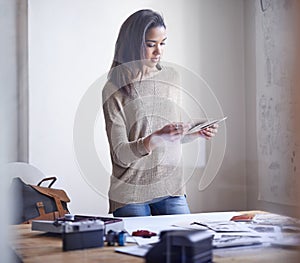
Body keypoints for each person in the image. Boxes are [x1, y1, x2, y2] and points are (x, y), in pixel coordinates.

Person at [102, 9, 218, 217]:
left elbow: (173, 138)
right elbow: (120, 155)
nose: (159, 52)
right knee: (138, 249)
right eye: (150, 44)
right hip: (131, 194)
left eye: (162, 43)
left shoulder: (172, 77)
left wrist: (195, 132)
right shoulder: (114, 89)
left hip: (172, 190)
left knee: (188, 246)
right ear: (132, 44)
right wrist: (156, 137)